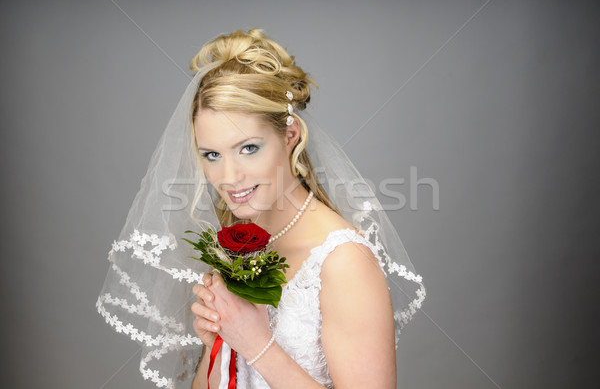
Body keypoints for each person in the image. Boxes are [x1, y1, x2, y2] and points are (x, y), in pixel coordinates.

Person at [96, 29, 426, 389]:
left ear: (290, 135)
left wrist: (255, 344)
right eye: (212, 155)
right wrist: (218, 349)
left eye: (248, 148)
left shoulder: (344, 262)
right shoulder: (238, 247)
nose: (229, 176)